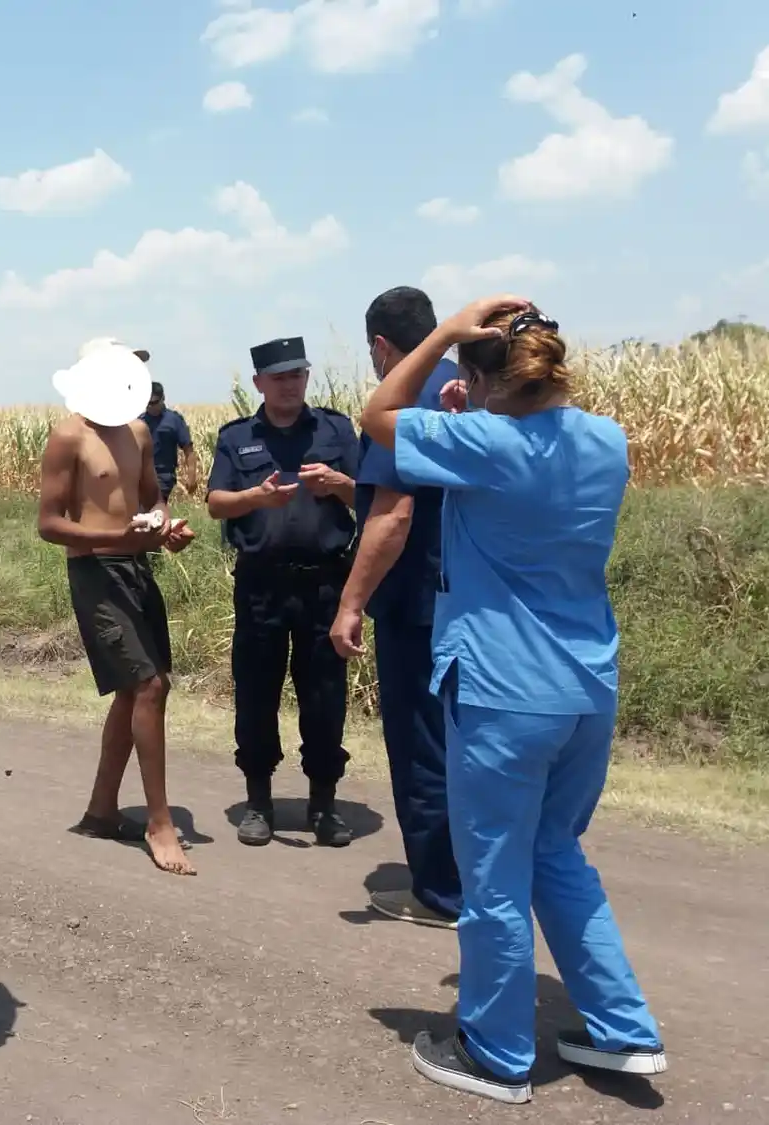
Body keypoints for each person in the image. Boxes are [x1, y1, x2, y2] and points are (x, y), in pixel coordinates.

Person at [361, 293, 667, 1105]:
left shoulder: (485, 444)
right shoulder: (607, 440)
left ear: (478, 374)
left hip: (504, 692)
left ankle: (496, 1052)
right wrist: (477, 400)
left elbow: (379, 412)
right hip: (585, 685)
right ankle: (623, 1028)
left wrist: (441, 334)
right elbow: (524, 462)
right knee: (557, 854)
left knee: (494, 875)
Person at [38, 337, 198, 877]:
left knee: (145, 689)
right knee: (148, 685)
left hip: (137, 565)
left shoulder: (138, 432)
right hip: (95, 571)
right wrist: (112, 534)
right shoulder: (69, 437)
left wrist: (162, 523)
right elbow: (49, 523)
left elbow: (154, 497)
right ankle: (159, 822)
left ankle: (102, 811)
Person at [330, 286, 463, 930]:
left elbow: (393, 514)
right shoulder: (473, 389)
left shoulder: (402, 398)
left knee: (422, 749)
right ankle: (479, 882)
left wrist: (351, 602)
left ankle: (440, 892)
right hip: (472, 602)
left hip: (416, 603)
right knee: (465, 747)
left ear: (382, 347)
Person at [206, 336, 361, 849]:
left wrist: (339, 483)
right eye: (279, 377)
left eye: (297, 374)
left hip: (324, 583)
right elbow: (216, 503)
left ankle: (323, 804)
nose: (290, 384)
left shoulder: (337, 430)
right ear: (259, 384)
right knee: (256, 691)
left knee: (324, 695)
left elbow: (371, 496)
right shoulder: (237, 438)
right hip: (261, 585)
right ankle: (258, 801)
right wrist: (256, 497)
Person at [141, 379, 200, 502]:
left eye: (154, 402)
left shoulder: (174, 420)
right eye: (148, 403)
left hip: (163, 476)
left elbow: (188, 450)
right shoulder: (139, 422)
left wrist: (192, 475)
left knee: (156, 510)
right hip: (140, 476)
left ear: (163, 398)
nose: (150, 407)